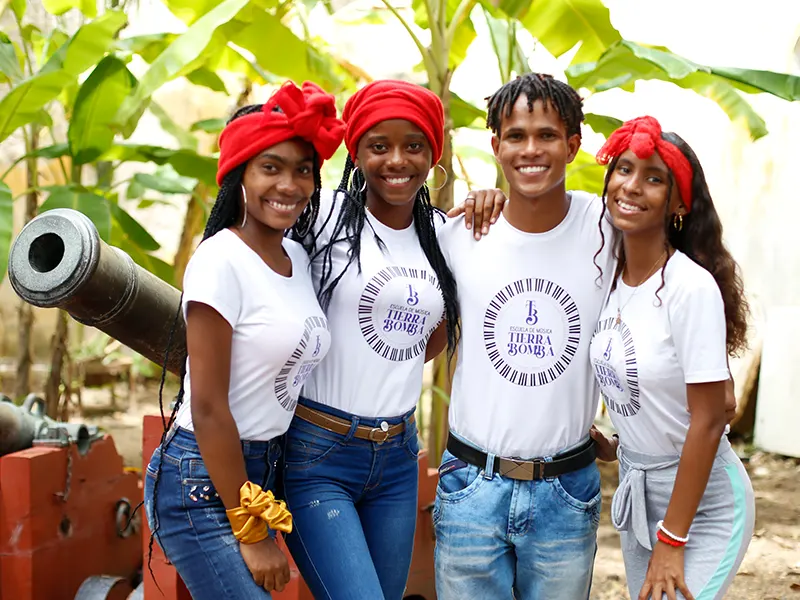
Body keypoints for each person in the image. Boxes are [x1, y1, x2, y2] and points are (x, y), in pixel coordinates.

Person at [280, 79, 504, 600]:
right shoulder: (321, 219)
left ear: (433, 154)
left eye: (414, 145)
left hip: (399, 460)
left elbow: (430, 338)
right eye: (379, 146)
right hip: (318, 453)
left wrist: (490, 200)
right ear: (355, 152)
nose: (397, 160)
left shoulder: (443, 233)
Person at [142, 80, 345, 600]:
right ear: (240, 176)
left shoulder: (297, 259)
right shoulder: (219, 260)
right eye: (270, 167)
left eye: (303, 169)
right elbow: (208, 405)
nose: (290, 184)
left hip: (265, 466)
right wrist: (249, 527)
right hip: (202, 476)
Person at [434, 72, 615, 600]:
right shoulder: (459, 233)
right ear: (495, 145)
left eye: (547, 135)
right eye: (515, 136)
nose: (530, 150)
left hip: (565, 488)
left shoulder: (606, 229)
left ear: (573, 144)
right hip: (470, 483)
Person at [587, 116, 755, 600]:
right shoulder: (612, 279)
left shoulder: (689, 288)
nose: (632, 186)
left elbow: (707, 421)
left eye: (654, 178)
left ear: (679, 202)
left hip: (703, 507)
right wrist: (624, 442)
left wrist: (672, 539)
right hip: (639, 492)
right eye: (623, 169)